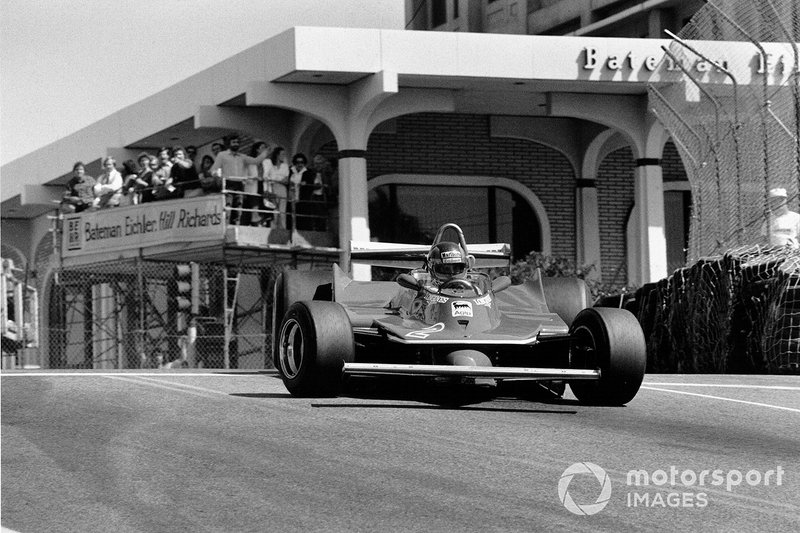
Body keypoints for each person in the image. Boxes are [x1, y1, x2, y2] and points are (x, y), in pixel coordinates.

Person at [210, 135, 267, 224]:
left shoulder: (242, 156)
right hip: (228, 183)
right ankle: (226, 226)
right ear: (229, 144)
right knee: (228, 207)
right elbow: (213, 169)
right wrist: (217, 176)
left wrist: (264, 153)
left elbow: (256, 161)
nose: (236, 144)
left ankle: (236, 226)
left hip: (239, 184)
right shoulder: (222, 155)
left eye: (237, 142)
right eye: (233, 142)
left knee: (238, 208)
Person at [262, 146, 290, 228]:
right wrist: (277, 179)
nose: (283, 156)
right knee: (274, 210)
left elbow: (286, 180)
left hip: (282, 189)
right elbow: (267, 177)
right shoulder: (270, 164)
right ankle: (273, 228)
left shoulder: (285, 166)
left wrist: (275, 179)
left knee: (282, 211)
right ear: (277, 155)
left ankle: (283, 228)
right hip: (272, 188)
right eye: (282, 154)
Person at [289, 153, 309, 230]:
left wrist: (305, 183)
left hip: (302, 197)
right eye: (298, 162)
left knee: (301, 215)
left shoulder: (307, 172)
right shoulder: (290, 170)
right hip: (291, 195)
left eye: (302, 162)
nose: (300, 164)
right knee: (290, 214)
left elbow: (310, 182)